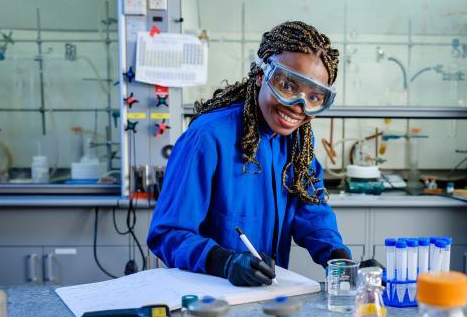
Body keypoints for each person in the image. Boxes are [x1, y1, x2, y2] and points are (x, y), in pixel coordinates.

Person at [147, 21, 351, 287]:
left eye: (314, 97)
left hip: (264, 296)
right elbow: (167, 233)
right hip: (208, 297)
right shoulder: (208, 137)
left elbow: (311, 212)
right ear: (260, 75)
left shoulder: (298, 143)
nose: (298, 107)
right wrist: (224, 261)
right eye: (287, 86)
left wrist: (339, 258)